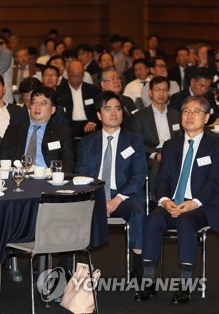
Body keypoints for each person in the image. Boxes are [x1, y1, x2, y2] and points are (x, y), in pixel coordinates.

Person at [136, 96, 219, 304]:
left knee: (185, 220)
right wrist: (164, 200)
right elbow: (162, 178)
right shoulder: (171, 145)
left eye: (196, 112)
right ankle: (148, 282)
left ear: (207, 117)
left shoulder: (215, 146)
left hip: (202, 205)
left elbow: (215, 181)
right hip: (173, 202)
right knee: (153, 219)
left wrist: (194, 202)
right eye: (186, 111)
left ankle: (185, 285)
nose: (190, 115)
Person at [76, 91, 147, 279]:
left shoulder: (134, 140)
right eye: (108, 109)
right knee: (69, 213)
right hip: (94, 194)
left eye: (117, 109)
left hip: (123, 195)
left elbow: (139, 176)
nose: (114, 113)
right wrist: (98, 198)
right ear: (99, 115)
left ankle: (139, 268)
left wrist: (116, 200)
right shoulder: (87, 142)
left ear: (122, 114)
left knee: (139, 213)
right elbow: (82, 175)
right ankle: (67, 268)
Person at [0, 85, 75, 171]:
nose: (37, 107)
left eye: (43, 103)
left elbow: (68, 166)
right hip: (19, 176)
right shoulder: (14, 130)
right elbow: (0, 159)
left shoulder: (62, 133)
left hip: (47, 179)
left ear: (52, 110)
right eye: (34, 103)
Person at [133, 76, 182, 202]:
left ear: (169, 93)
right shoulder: (140, 116)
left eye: (165, 90)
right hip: (151, 154)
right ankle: (158, 201)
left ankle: (182, 198)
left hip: (173, 152)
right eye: (157, 90)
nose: (161, 94)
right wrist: (155, 154)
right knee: (157, 167)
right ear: (150, 92)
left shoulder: (176, 115)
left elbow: (181, 138)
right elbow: (137, 142)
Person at [57, 60, 100, 138]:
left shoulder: (92, 90)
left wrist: (92, 122)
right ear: (68, 74)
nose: (77, 78)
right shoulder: (59, 90)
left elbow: (97, 107)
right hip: (68, 125)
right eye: (74, 75)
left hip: (88, 124)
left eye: (80, 75)